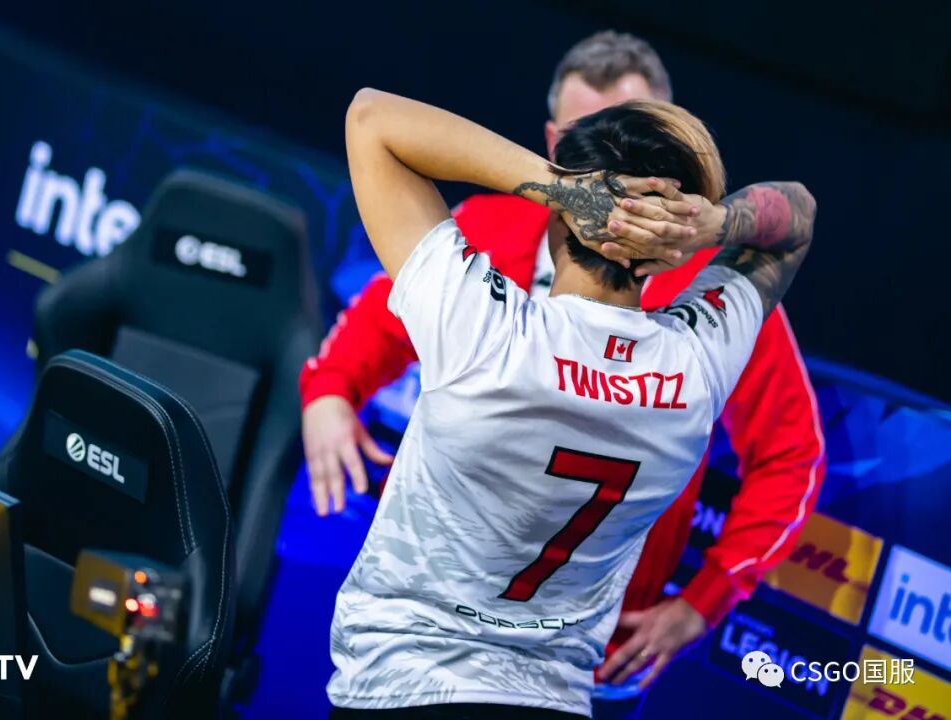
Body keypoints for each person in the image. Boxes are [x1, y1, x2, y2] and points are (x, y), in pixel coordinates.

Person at [302, 31, 825, 716]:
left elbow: (373, 116)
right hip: (554, 695)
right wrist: (714, 223)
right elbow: (796, 216)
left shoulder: (481, 327)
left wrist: (565, 191)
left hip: (409, 683)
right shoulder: (701, 356)